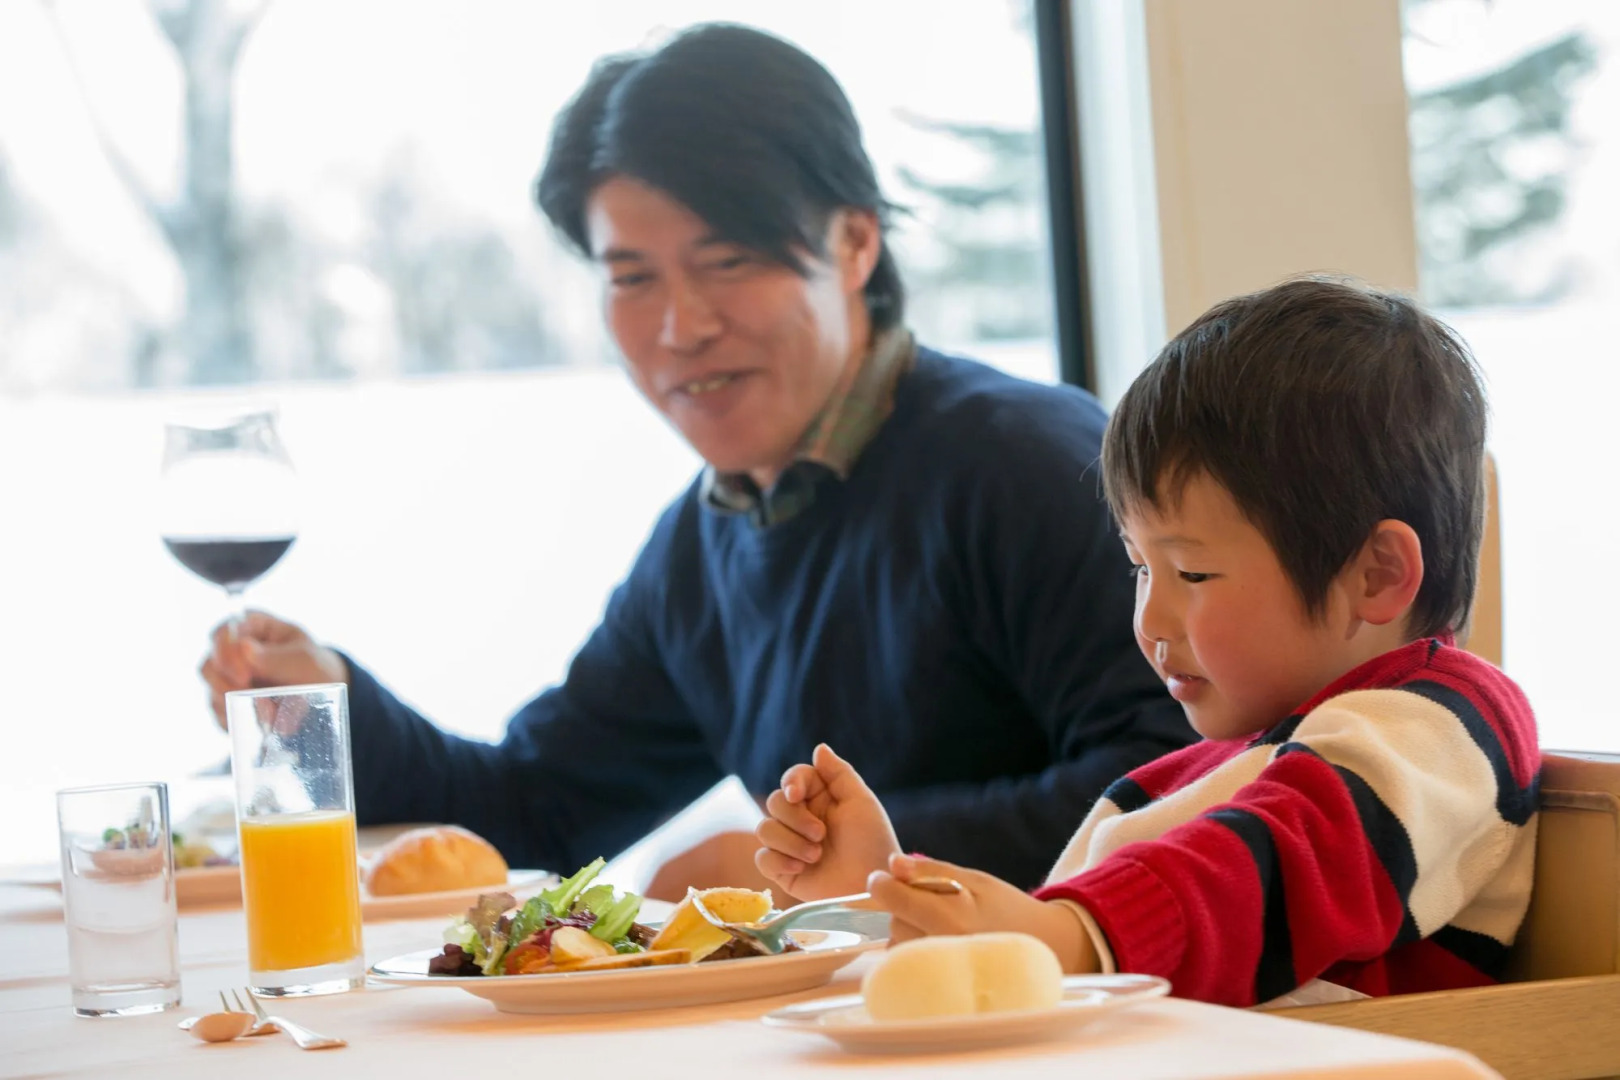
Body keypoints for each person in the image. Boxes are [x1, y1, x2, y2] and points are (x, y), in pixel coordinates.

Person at [199, 23, 1191, 897]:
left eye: (728, 262)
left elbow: (1188, 777)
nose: (682, 327)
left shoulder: (1023, 464)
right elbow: (541, 809)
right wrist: (326, 703)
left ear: (854, 243)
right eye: (631, 277)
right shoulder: (703, 544)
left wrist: (820, 864)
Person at [756, 276, 1541, 1006]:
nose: (1149, 620)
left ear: (1375, 575)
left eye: (1192, 574)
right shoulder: (1198, 777)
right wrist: (872, 897)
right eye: (1139, 569)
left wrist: (1064, 937)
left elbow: (1248, 878)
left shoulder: (1437, 729)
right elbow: (1038, 959)